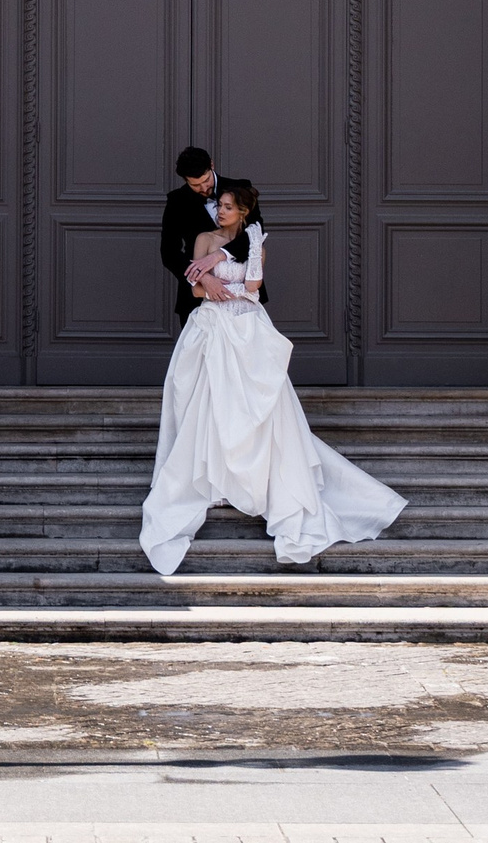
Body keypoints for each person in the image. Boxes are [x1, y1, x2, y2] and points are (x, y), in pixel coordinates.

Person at [140, 178, 406, 576]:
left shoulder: (254, 243)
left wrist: (237, 263)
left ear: (243, 212)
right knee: (207, 402)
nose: (220, 211)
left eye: (227, 207)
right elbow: (193, 290)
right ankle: (212, 479)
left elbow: (254, 285)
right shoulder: (203, 239)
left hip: (249, 329)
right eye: (219, 205)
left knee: (260, 407)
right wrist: (206, 280)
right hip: (212, 328)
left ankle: (254, 478)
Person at [159, 144, 218, 327]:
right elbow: (169, 253)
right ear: (185, 180)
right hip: (194, 299)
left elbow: (252, 238)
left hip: (240, 299)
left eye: (206, 180)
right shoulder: (177, 201)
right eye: (195, 185)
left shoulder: (240, 189)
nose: (203, 188)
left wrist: (220, 255)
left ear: (212, 165)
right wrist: (202, 277)